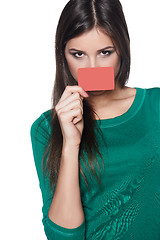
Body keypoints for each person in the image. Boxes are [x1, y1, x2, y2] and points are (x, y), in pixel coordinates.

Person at [30, 0, 160, 239]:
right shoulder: (45, 128)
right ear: (63, 56)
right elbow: (62, 236)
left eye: (105, 53)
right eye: (78, 54)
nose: (92, 67)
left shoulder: (156, 107)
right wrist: (70, 144)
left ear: (123, 49)